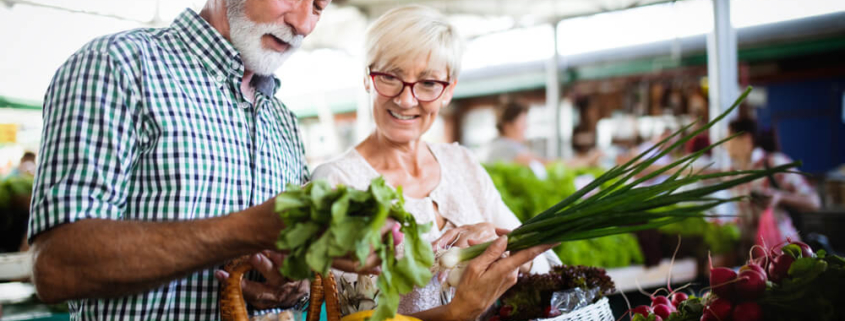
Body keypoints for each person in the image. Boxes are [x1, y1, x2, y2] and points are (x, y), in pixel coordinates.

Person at [27, 0, 375, 319]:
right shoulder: (117, 65)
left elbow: (290, 266)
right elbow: (58, 267)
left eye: (317, 6)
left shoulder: (282, 119)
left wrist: (291, 283)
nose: (304, 24)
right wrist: (250, 229)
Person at [311, 6, 559, 320]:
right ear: (366, 78)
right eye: (390, 77)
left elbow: (545, 265)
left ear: (449, 90)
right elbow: (351, 315)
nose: (406, 99)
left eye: (428, 83)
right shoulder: (336, 182)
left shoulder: (462, 164)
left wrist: (501, 246)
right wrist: (458, 312)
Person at [725, 119, 821, 251]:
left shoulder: (774, 163)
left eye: (728, 139)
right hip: (751, 254)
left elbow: (814, 202)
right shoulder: (733, 172)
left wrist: (780, 197)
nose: (725, 145)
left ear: (746, 139)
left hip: (781, 252)